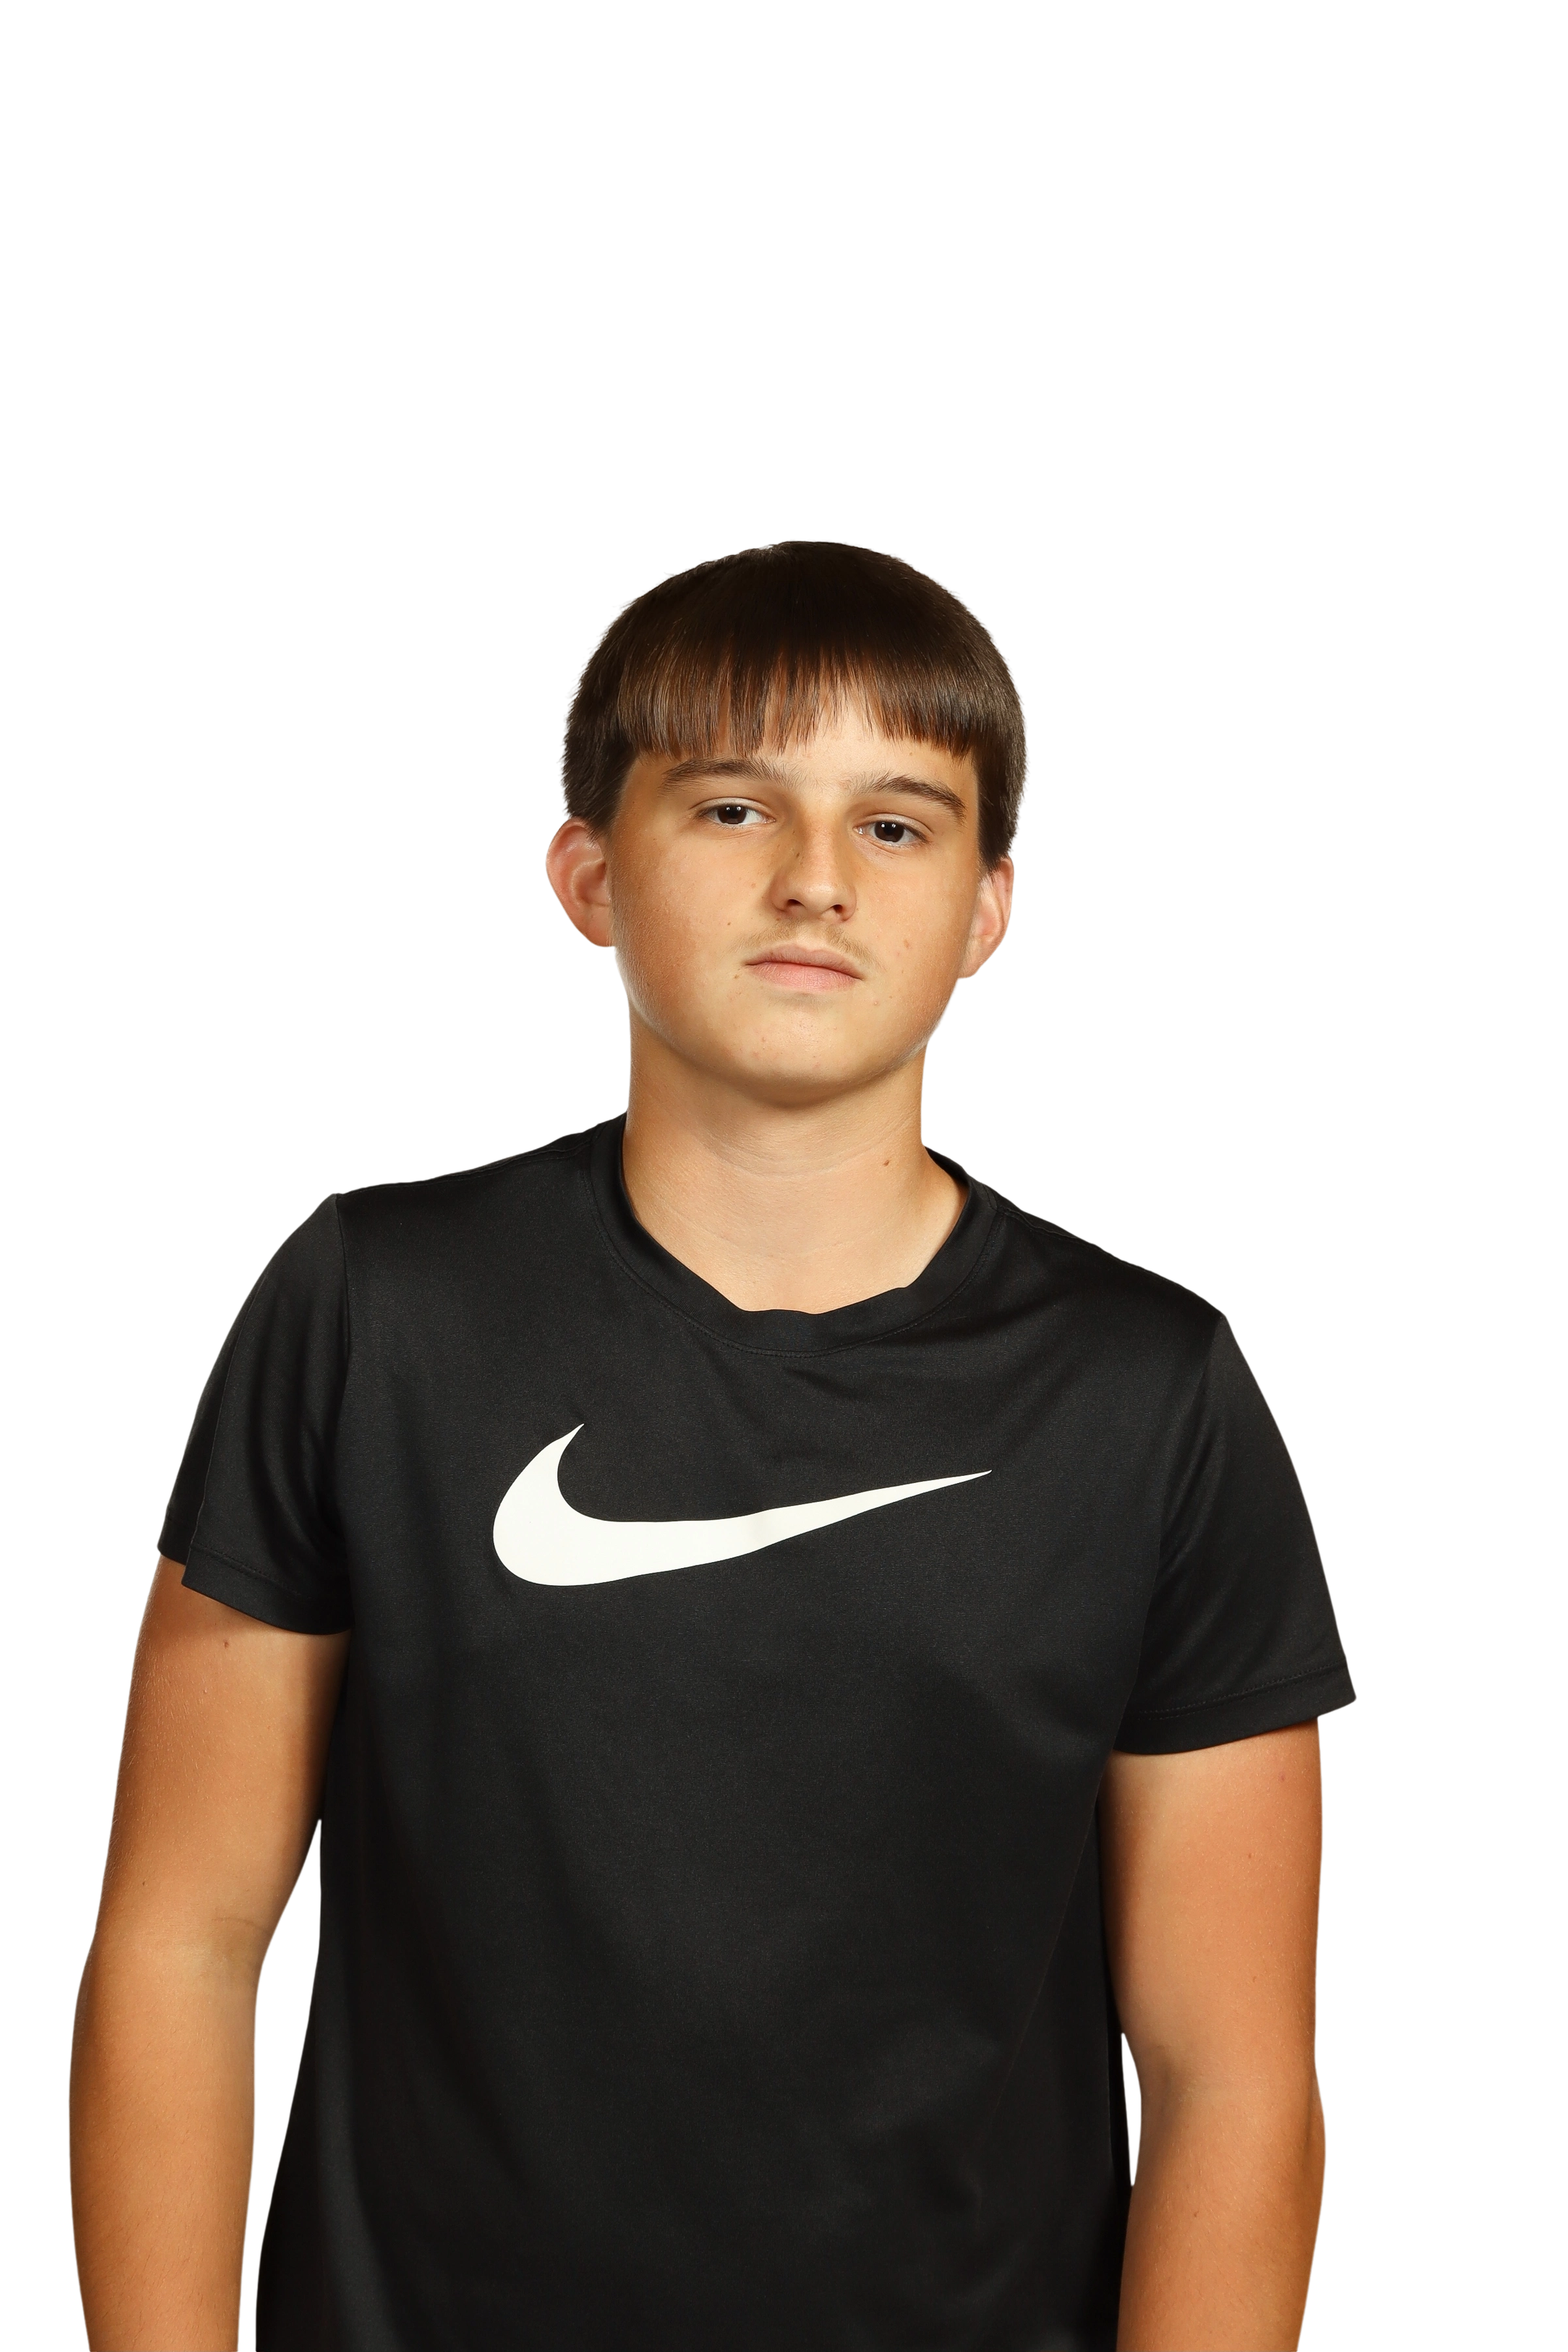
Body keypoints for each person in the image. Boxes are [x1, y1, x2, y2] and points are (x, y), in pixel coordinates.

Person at [69, 538, 1356, 2351]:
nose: (817, 878)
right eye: (735, 806)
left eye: (897, 824)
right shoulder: (375, 1309)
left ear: (991, 909)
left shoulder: (1152, 1391)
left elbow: (1232, 2070)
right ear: (589, 876)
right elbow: (179, 1947)